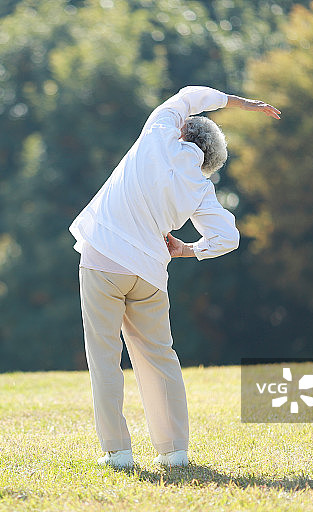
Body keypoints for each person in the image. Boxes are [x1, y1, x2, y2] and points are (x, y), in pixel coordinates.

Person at [70, 86, 280, 468]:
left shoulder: (158, 133)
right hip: (150, 274)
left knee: (104, 357)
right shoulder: (200, 186)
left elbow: (190, 95)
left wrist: (243, 104)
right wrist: (187, 250)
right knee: (159, 358)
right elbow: (227, 238)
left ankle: (117, 453)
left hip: (103, 259)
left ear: (184, 130)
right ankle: (174, 452)